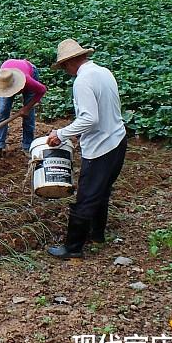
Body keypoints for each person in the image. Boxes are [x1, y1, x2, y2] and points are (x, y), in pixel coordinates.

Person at [45, 39, 127, 259]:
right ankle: (97, 234)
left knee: (87, 196)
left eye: (64, 66)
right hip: (118, 140)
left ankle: (72, 248)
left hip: (101, 147)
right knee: (102, 191)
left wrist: (61, 133)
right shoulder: (104, 72)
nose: (65, 71)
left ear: (70, 62)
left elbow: (90, 118)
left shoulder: (82, 81)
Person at [0, 59, 47, 160]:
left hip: (29, 71)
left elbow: (42, 90)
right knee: (3, 112)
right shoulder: (0, 82)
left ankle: (27, 146)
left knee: (28, 115)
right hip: (8, 76)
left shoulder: (27, 80)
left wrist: (27, 107)